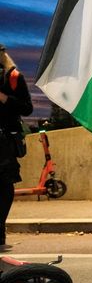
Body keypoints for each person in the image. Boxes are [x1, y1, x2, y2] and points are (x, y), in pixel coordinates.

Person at [0, 43, 32, 251]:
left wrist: (5, 99)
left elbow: (27, 108)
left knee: (3, 187)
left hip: (4, 143)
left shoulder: (13, 77)